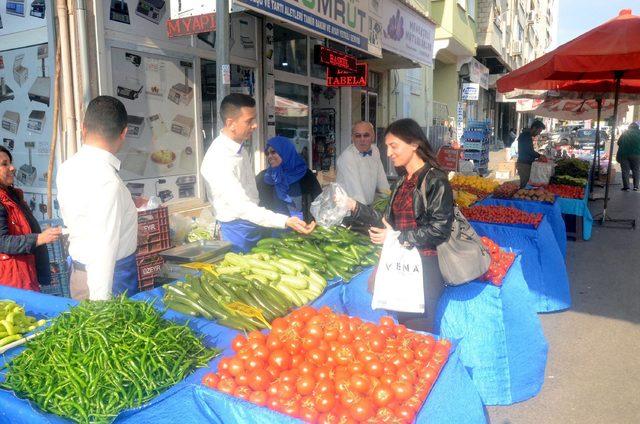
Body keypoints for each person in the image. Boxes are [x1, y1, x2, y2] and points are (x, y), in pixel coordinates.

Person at [345, 118, 454, 332]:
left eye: (394, 146)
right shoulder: (403, 181)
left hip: (424, 269)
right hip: (401, 266)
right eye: (387, 147)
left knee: (420, 333)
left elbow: (440, 228)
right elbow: (387, 222)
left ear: (414, 144)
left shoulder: (435, 180)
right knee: (405, 330)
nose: (388, 153)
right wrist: (353, 207)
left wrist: (397, 238)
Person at [201, 94, 315, 253]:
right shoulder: (219, 159)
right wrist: (285, 221)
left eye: (254, 120)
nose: (254, 126)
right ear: (231, 123)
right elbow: (242, 206)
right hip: (236, 229)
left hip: (252, 222)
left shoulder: (240, 150)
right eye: (249, 121)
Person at [57, 96, 139, 300]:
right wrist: (101, 309)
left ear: (83, 129)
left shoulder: (67, 167)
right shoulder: (107, 181)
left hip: (80, 274)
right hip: (108, 281)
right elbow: (102, 249)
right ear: (124, 133)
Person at [0, 146, 60, 291]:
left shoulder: (13, 196)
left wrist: (42, 265)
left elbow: (25, 229)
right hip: (12, 281)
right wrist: (39, 238)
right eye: (4, 164)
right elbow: (2, 241)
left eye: (10, 162)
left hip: (25, 274)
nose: (12, 168)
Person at [256, 136, 322, 223]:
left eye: (273, 152)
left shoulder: (305, 174)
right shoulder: (265, 177)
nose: (269, 156)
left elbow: (319, 201)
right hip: (273, 231)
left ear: (286, 152)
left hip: (303, 229)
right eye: (267, 153)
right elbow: (257, 206)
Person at [336, 121, 390, 205]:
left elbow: (382, 181)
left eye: (366, 135)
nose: (362, 139)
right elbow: (357, 194)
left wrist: (388, 202)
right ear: (352, 138)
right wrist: (367, 216)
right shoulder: (347, 157)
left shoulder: (375, 151)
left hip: (365, 207)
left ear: (373, 137)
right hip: (349, 211)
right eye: (358, 136)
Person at [516, 120, 546, 188]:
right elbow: (529, 150)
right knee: (524, 185)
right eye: (539, 131)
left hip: (526, 163)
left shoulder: (527, 135)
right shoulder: (525, 135)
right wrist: (539, 155)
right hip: (524, 164)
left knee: (526, 184)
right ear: (534, 128)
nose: (538, 133)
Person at [616, 122, 640, 191]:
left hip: (624, 154)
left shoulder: (625, 133)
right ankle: (636, 186)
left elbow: (618, 142)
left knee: (625, 170)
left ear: (629, 127)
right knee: (636, 170)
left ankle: (626, 187)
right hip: (637, 154)